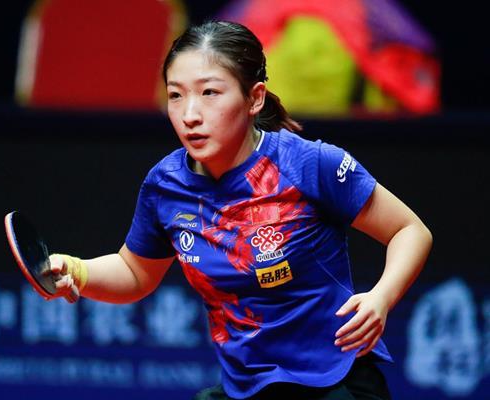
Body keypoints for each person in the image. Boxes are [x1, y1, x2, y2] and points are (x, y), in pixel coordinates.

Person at [49, 21, 432, 400]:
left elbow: (409, 231)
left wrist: (381, 297)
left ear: (255, 98)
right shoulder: (165, 186)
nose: (190, 114)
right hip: (248, 387)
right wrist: (76, 270)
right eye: (176, 95)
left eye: (210, 93)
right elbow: (135, 273)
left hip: (335, 380)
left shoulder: (309, 164)